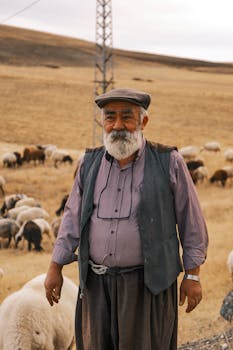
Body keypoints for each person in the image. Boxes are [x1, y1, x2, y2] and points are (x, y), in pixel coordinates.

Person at [44, 88, 209, 350]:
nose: (118, 125)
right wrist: (55, 267)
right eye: (110, 117)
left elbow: (192, 222)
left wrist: (193, 276)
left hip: (148, 286)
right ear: (103, 122)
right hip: (97, 286)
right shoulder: (89, 163)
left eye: (127, 117)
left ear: (143, 122)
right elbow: (71, 218)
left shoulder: (169, 162)